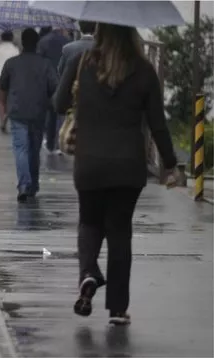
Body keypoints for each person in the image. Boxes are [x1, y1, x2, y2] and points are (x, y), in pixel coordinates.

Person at [54, 23, 178, 325]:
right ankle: (118, 308)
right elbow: (157, 124)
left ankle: (88, 275)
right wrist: (171, 164)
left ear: (100, 31)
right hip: (127, 164)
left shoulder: (81, 62)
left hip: (89, 162)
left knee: (89, 221)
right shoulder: (144, 70)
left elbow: (58, 103)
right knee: (120, 231)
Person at [0, 28, 58, 203]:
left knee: (21, 148)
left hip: (17, 111)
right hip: (39, 112)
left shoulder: (11, 63)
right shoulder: (45, 64)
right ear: (37, 42)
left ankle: (24, 184)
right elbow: (54, 86)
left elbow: (2, 84)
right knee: (34, 149)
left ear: (22, 43)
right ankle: (33, 185)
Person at [37, 27, 70, 154]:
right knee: (60, 113)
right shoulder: (67, 42)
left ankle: (49, 142)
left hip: (46, 82)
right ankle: (57, 143)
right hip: (62, 80)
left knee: (48, 112)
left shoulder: (43, 41)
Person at [0, 30, 20, 132]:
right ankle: (7, 113)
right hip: (12, 78)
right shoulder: (15, 49)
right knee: (9, 99)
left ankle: (2, 118)